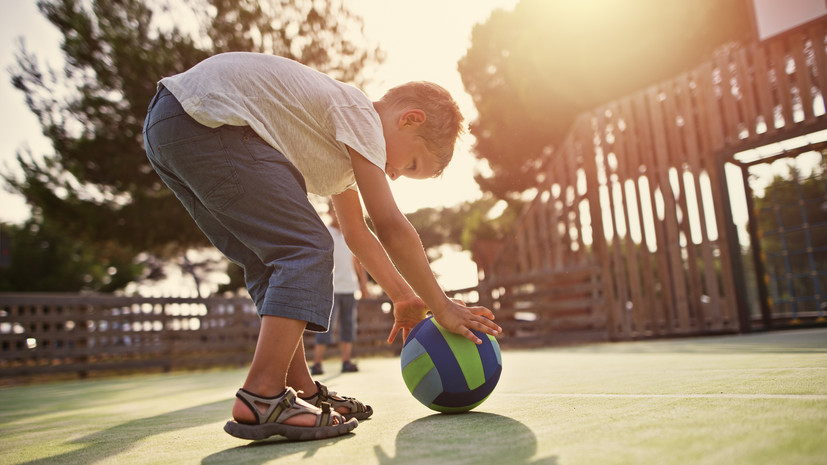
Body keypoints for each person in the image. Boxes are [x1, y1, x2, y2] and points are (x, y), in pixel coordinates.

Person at [142, 52, 501, 442]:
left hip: (170, 126)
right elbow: (389, 225)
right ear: (410, 119)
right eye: (410, 164)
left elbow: (357, 233)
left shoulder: (346, 149)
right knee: (306, 246)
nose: (395, 176)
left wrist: (403, 295)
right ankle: (263, 395)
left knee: (271, 262)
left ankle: (300, 390)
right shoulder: (361, 114)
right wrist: (443, 305)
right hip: (208, 119)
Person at [310, 204, 369, 375]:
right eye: (333, 211)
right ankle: (317, 364)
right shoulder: (324, 232)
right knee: (325, 325)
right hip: (330, 288)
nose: (337, 214)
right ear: (329, 213)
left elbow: (358, 262)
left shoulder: (351, 234)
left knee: (348, 325)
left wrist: (363, 285)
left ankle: (346, 362)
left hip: (350, 288)